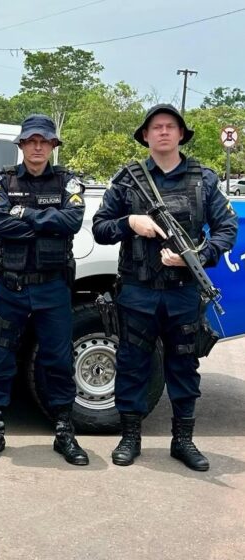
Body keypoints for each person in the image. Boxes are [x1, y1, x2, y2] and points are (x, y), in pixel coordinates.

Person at [92, 104, 237, 471]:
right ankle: (130, 437)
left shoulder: (203, 179)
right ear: (145, 135)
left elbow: (226, 230)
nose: (163, 132)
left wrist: (199, 255)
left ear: (181, 134)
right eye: (155, 127)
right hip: (138, 289)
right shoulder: (128, 179)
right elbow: (100, 228)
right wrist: (130, 221)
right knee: (131, 363)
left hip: (183, 291)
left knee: (184, 364)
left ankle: (183, 440)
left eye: (170, 126)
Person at [0, 114, 89, 466]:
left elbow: (72, 222)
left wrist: (23, 213)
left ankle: (63, 430)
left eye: (44, 141)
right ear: (21, 145)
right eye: (31, 140)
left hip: (52, 287)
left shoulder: (68, 182)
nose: (37, 146)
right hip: (10, 287)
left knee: (57, 359)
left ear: (53, 145)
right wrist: (45, 223)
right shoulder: (2, 181)